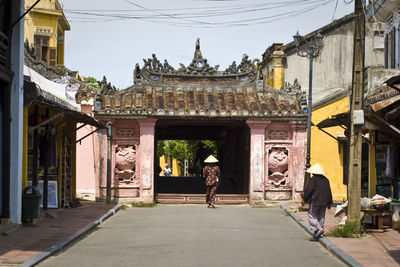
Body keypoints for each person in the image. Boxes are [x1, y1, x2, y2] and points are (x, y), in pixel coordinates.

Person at [302, 163, 333, 241]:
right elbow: (329, 192)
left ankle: (319, 229)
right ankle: (319, 234)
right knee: (321, 216)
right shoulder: (326, 180)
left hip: (316, 201)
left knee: (312, 215)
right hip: (324, 202)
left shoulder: (314, 179)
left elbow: (309, 191)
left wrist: (304, 200)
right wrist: (329, 203)